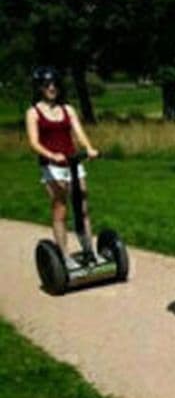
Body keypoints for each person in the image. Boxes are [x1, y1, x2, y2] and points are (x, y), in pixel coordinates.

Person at [25, 66, 99, 269]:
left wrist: (89, 148)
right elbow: (34, 142)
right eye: (47, 84)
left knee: (82, 207)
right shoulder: (33, 112)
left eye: (54, 84)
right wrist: (51, 155)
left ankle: (89, 252)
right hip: (52, 167)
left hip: (73, 162)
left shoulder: (67, 109)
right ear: (40, 87)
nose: (51, 88)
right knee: (61, 209)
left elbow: (79, 132)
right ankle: (65, 257)